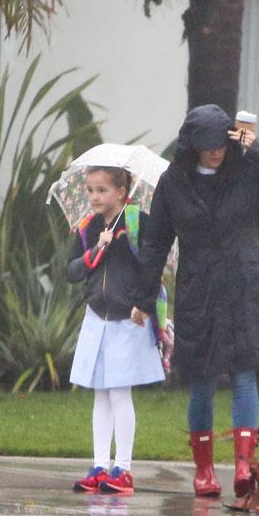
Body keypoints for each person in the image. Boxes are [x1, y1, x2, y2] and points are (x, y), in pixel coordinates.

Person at [130, 104, 259, 497]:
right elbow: (156, 241)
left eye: (221, 144)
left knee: (245, 373)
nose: (215, 152)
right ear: (191, 145)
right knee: (202, 380)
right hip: (199, 289)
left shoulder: (249, 170)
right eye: (207, 145)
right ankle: (204, 471)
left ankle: (245, 465)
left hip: (245, 283)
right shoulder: (173, 182)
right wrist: (144, 297)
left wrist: (255, 147)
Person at [66, 166, 166, 495]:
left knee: (120, 392)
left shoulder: (139, 223)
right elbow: (72, 271)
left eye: (102, 190)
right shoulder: (87, 226)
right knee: (100, 392)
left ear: (122, 192)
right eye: (91, 190)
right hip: (97, 316)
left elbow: (153, 267)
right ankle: (100, 465)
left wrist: (144, 304)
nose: (94, 197)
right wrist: (96, 249)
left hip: (129, 317)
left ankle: (123, 468)